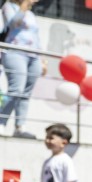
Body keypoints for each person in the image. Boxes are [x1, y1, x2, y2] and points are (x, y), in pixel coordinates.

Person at [0, 0, 47, 139]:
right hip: (15, 52)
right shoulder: (9, 7)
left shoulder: (31, 14)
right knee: (16, 90)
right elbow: (13, 23)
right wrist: (24, 6)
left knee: (25, 94)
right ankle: (1, 122)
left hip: (33, 56)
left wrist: (42, 59)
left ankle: (20, 127)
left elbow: (36, 37)